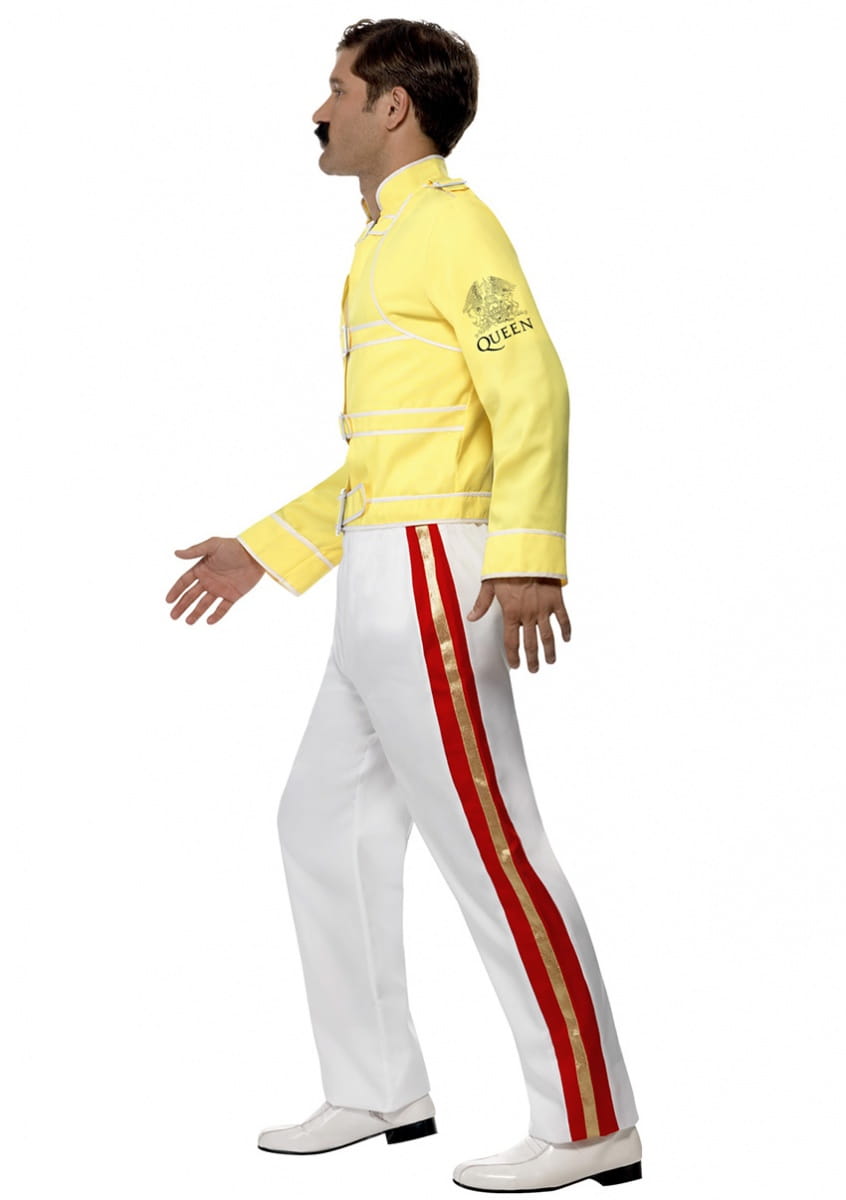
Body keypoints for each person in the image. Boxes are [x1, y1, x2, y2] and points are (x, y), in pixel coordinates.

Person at [165, 17, 641, 1192]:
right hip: (382, 575)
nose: (318, 109)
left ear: (393, 107)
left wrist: (529, 553)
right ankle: (378, 1088)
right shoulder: (385, 241)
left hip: (435, 575)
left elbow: (532, 385)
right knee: (318, 821)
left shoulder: (454, 224)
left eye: (337, 88)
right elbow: (387, 461)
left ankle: (590, 1123)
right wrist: (264, 549)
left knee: (492, 845)